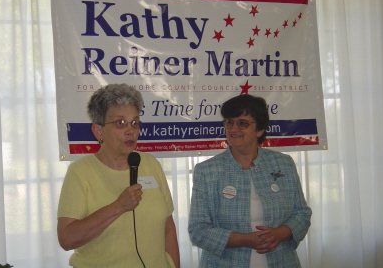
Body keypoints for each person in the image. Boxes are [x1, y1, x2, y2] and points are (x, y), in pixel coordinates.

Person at [57, 83, 180, 268]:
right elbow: (67, 239)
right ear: (98, 131)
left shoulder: (150, 164)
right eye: (120, 123)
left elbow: (168, 228)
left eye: (135, 122)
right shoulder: (81, 172)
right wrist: (118, 206)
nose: (130, 130)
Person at [188, 94, 311, 268]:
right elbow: (198, 230)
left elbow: (302, 214)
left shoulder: (283, 164)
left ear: (259, 130)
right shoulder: (207, 171)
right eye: (229, 122)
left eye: (243, 123)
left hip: (282, 261)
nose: (234, 128)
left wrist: (280, 233)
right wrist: (245, 240)